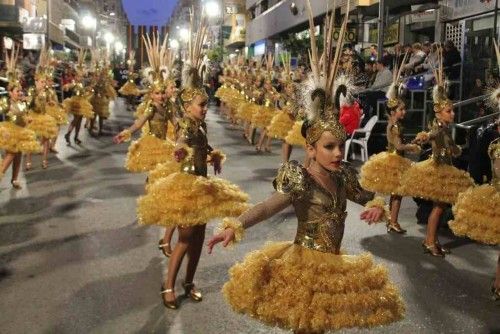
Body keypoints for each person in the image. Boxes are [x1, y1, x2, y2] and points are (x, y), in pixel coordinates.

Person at [207, 8, 404, 331]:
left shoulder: (343, 176)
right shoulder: (300, 177)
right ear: (310, 149)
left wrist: (375, 206)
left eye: (340, 146)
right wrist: (235, 226)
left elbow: (369, 196)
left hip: (335, 265)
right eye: (329, 147)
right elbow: (268, 206)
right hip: (304, 266)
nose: (338, 153)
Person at [398, 52, 474, 257]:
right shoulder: (438, 127)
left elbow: (448, 144)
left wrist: (458, 148)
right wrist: (423, 136)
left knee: (439, 208)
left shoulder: (445, 127)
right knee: (438, 208)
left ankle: (433, 240)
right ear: (439, 113)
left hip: (445, 166)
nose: (453, 114)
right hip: (438, 169)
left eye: (453, 110)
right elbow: (432, 134)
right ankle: (429, 241)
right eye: (449, 111)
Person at [360, 63, 421, 233]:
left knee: (397, 193)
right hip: (394, 160)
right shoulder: (394, 127)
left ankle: (393, 221)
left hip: (396, 159)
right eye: (401, 109)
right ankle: (391, 220)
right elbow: (399, 145)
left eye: (404, 109)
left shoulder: (395, 124)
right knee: (394, 192)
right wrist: (413, 147)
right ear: (393, 111)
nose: (404, 112)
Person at [0, 46, 41, 188]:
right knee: (10, 155)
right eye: (16, 91)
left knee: (18, 157)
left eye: (19, 91)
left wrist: (28, 119)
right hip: (10, 133)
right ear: (10, 92)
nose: (19, 93)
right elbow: (5, 112)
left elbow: (25, 115)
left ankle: (14, 179)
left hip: (21, 132)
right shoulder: (6, 102)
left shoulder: (22, 103)